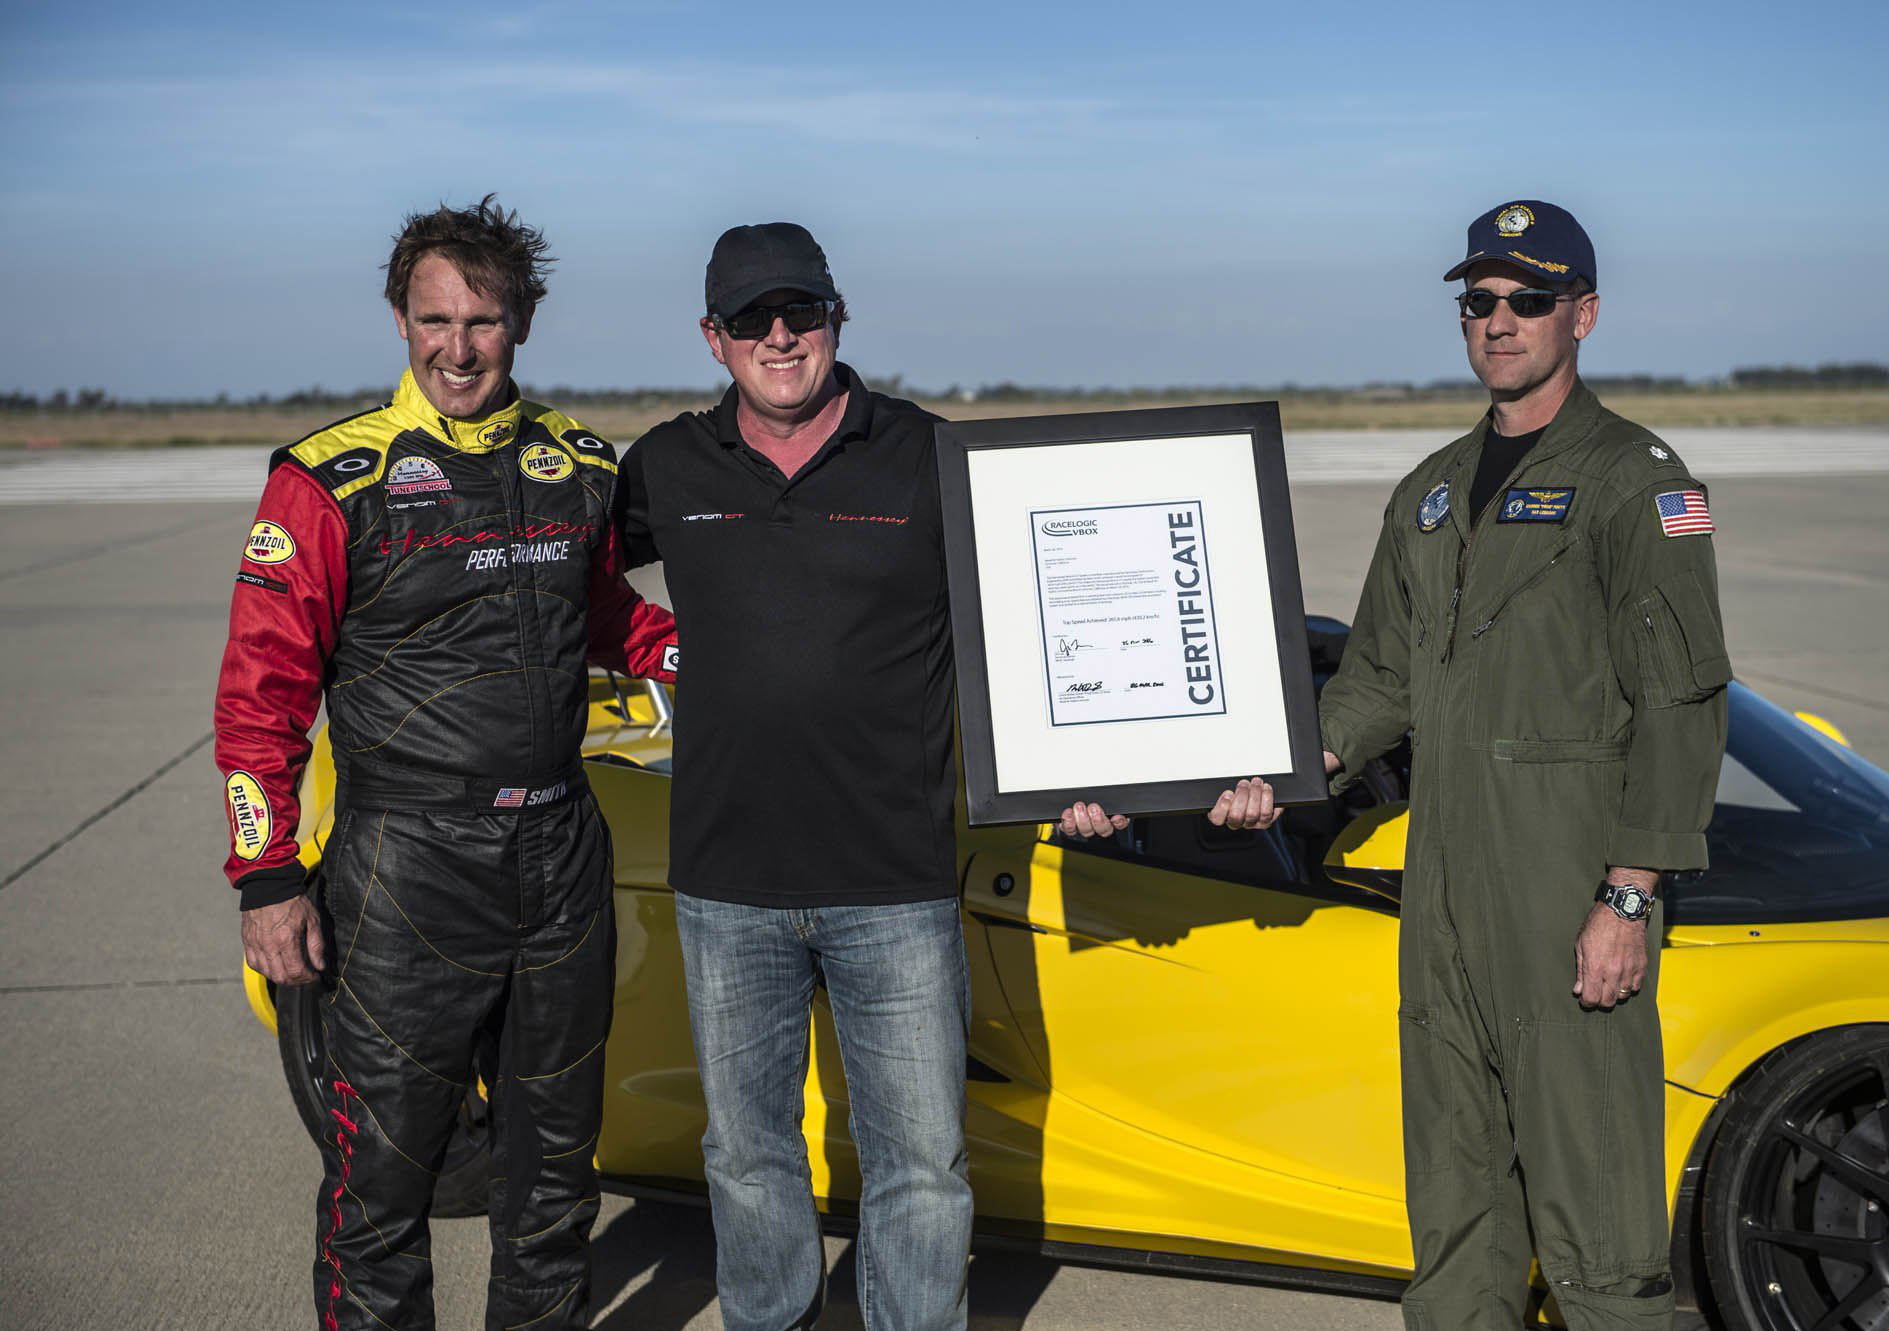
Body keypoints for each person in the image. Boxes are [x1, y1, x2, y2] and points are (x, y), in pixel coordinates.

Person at [616, 223, 1267, 1331]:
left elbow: (1040, 619)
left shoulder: (931, 455)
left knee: (921, 1163)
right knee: (746, 1152)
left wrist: (1102, 755)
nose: (781, 338)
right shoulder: (664, 466)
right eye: (752, 320)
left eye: (801, 313)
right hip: (728, 882)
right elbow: (567, 591)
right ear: (711, 337)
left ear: (837, 318)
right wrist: (659, 649)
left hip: (896, 881)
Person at [214, 195, 676, 1331]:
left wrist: (717, 653)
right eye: (435, 319)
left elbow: (606, 613)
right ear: (397, 317)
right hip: (404, 866)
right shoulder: (330, 479)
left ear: (523, 318)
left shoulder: (576, 462)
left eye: (482, 320)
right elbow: (259, 694)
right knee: (379, 1183)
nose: (457, 347)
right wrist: (267, 877)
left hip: (560, 855)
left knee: (555, 1177)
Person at [1315, 200, 1729, 1330]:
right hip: (1441, 896)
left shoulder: (1633, 481)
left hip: (1563, 899)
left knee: (1598, 1235)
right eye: (1478, 302)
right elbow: (1377, 676)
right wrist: (1305, 751)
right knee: (1453, 1226)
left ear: (1580, 314)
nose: (1498, 322)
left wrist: (1628, 892)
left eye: (1527, 300)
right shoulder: (1432, 488)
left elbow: (1681, 705)